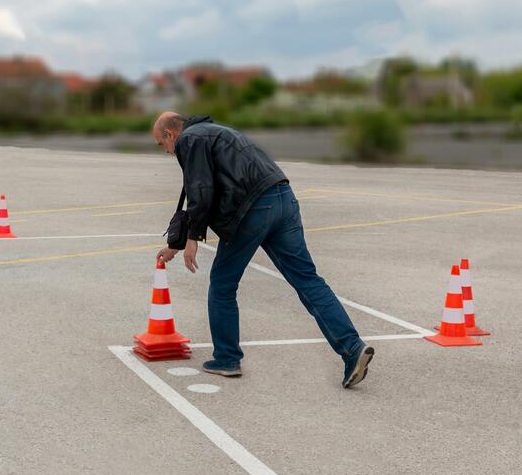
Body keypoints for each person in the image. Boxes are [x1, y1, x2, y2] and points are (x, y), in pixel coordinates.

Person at [153, 112, 374, 388]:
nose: (166, 151)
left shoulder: (189, 139)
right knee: (308, 281)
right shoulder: (216, 131)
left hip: (253, 210)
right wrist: (176, 244)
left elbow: (201, 189)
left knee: (222, 284)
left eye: (162, 145)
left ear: (171, 134)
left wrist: (192, 239)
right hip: (283, 199)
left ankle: (227, 359)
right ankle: (352, 348)